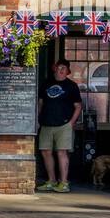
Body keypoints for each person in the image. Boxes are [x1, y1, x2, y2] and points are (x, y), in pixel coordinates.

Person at [36, 60, 83, 192]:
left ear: (68, 71)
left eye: (64, 68)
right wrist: (38, 119)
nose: (61, 70)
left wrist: (71, 123)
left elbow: (78, 106)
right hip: (46, 123)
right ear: (54, 68)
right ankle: (51, 181)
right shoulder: (46, 83)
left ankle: (64, 183)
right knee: (46, 152)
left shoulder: (72, 86)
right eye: (59, 67)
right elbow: (40, 103)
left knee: (62, 152)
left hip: (64, 124)